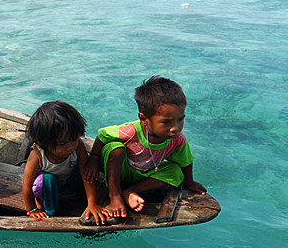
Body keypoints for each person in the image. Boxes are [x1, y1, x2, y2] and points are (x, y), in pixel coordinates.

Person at [84, 76, 207, 218]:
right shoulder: (130, 132)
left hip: (144, 174)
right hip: (121, 170)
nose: (175, 128)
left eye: (180, 119)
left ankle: (129, 191)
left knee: (176, 172)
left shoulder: (177, 139)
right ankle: (115, 194)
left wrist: (189, 182)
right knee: (115, 148)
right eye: (166, 122)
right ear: (143, 119)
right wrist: (93, 160)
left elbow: (185, 161)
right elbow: (102, 134)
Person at [22, 101, 111, 224]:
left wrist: (92, 203)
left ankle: (84, 197)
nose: (70, 147)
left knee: (88, 172)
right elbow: (27, 186)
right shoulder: (37, 155)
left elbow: (86, 175)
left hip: (70, 180)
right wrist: (31, 209)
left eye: (73, 139)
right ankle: (49, 211)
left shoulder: (78, 145)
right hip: (52, 186)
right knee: (45, 181)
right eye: (62, 144)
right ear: (44, 143)